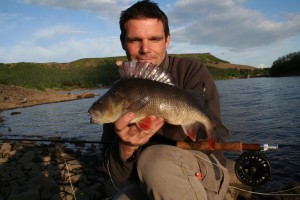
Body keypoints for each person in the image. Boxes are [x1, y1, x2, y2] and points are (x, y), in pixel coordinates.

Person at [100, 0, 229, 199]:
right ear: (123, 42)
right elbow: (115, 174)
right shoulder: (121, 92)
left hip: (203, 173)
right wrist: (127, 147)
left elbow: (207, 139)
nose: (145, 49)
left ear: (167, 40)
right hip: (150, 182)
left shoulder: (192, 71)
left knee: (154, 160)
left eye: (154, 38)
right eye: (135, 40)